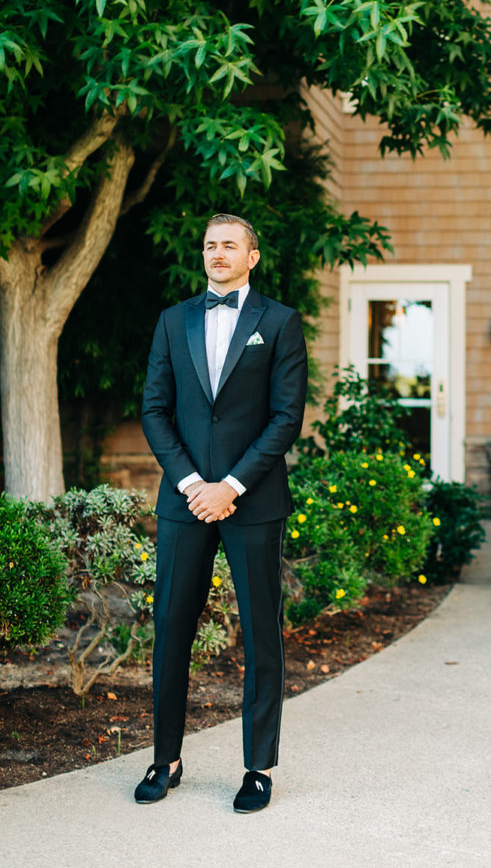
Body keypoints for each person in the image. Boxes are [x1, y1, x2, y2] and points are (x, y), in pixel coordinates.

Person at [134, 212, 307, 812]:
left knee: (262, 637)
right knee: (171, 633)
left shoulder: (280, 322)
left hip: (252, 502)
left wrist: (230, 485)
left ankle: (257, 768)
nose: (218, 253)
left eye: (229, 245)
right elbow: (155, 409)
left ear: (252, 257)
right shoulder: (172, 320)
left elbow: (286, 418)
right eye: (210, 245)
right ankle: (166, 759)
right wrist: (189, 483)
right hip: (184, 503)